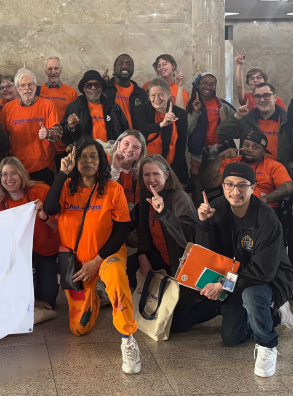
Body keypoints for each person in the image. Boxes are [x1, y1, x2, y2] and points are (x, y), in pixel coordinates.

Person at [43, 138, 141, 375]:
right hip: (76, 262)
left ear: (101, 161)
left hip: (107, 255)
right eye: (83, 156)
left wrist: (97, 260)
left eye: (93, 156)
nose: (88, 161)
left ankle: (128, 339)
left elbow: (121, 231)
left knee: (117, 279)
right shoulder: (67, 187)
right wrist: (62, 174)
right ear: (75, 161)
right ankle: (96, 298)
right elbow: (49, 209)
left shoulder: (113, 189)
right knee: (79, 329)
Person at [192, 164, 293, 378]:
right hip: (234, 276)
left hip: (270, 279)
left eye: (242, 186)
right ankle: (268, 316)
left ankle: (267, 344)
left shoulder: (266, 218)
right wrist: (204, 224)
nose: (235, 192)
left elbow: (262, 271)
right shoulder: (217, 207)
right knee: (231, 338)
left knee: (252, 294)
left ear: (253, 187)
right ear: (223, 186)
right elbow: (209, 253)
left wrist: (223, 284)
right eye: (229, 184)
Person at [129, 155, 200, 323]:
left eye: (156, 174)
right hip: (161, 258)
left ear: (166, 175)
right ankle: (159, 296)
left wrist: (164, 214)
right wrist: (142, 256)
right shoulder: (146, 197)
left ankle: (214, 306)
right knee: (129, 267)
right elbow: (143, 231)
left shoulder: (179, 198)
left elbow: (189, 239)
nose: (151, 179)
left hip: (182, 264)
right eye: (146, 175)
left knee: (176, 323)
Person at [0, 157, 60, 309]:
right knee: (24, 301)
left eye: (14, 173)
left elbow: (60, 227)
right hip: (19, 255)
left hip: (46, 250)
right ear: (0, 178)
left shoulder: (42, 190)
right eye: (4, 175)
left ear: (22, 174)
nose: (9, 178)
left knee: (48, 302)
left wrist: (44, 216)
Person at [217, 82, 293, 169]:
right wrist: (237, 116)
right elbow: (222, 133)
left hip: (278, 172)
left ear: (275, 98)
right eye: (258, 96)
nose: (262, 100)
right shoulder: (247, 120)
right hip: (249, 171)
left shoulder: (288, 121)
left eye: (266, 95)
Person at [0, 68, 62, 184]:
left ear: (36, 86)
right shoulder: (7, 109)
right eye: (23, 85)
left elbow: (58, 132)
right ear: (17, 88)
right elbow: (2, 140)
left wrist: (48, 133)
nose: (27, 88)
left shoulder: (47, 105)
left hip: (43, 167)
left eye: (30, 84)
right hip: (18, 169)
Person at [202, 128, 293, 206]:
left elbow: (288, 186)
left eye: (255, 147)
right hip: (233, 208)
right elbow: (209, 184)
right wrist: (220, 158)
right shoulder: (230, 162)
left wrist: (265, 199)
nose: (249, 150)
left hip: (262, 210)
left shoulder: (273, 166)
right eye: (246, 145)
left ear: (263, 152)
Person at [186, 73, 236, 177]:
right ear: (198, 85)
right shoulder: (191, 105)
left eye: (212, 85)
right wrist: (195, 112)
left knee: (220, 180)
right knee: (198, 182)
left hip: (220, 150)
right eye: (204, 83)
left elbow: (236, 122)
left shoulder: (223, 106)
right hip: (199, 152)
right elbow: (188, 130)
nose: (208, 87)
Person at [61, 70, 129, 145]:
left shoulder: (114, 108)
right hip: (85, 154)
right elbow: (65, 138)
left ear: (101, 87)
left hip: (110, 153)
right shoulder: (74, 107)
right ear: (83, 89)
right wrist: (71, 128)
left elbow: (125, 133)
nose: (93, 88)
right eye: (89, 85)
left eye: (97, 85)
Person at [140, 80, 189, 176]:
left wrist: (173, 173)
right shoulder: (143, 110)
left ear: (169, 94)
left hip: (171, 166)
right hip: (147, 165)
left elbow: (181, 145)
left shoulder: (180, 114)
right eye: (153, 95)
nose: (157, 99)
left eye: (161, 94)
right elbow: (142, 128)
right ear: (149, 97)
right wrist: (161, 125)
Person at [102, 54, 148, 131]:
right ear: (114, 68)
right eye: (120, 63)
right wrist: (100, 83)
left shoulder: (142, 94)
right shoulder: (105, 90)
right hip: (111, 140)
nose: (125, 66)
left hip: (134, 139)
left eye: (129, 64)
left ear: (133, 69)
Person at [106, 130, 147, 206]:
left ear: (141, 151)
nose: (130, 149)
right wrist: (115, 168)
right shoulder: (105, 159)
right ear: (119, 143)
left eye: (136, 147)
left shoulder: (142, 170)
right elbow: (103, 190)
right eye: (126, 143)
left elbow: (133, 203)